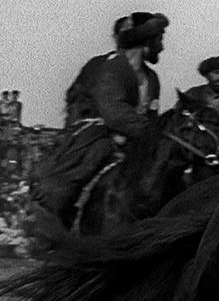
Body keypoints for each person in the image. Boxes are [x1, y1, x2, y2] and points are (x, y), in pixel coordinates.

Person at [30, 12, 168, 230]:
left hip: (136, 141)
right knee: (81, 169)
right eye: (159, 39)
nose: (162, 46)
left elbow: (151, 114)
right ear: (146, 42)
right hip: (99, 135)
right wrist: (150, 133)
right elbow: (115, 113)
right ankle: (55, 226)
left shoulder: (152, 78)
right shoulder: (111, 67)